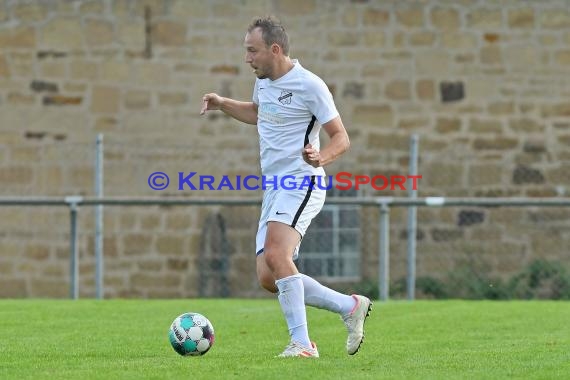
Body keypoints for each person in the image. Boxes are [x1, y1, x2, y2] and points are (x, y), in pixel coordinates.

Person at [200, 16, 372, 358]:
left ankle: (302, 345)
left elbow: (342, 137)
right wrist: (223, 104)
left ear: (274, 49)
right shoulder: (263, 82)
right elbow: (258, 113)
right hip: (274, 187)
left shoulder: (310, 85)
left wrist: (320, 157)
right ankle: (349, 306)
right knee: (269, 276)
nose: (247, 58)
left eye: (253, 51)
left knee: (278, 256)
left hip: (301, 181)